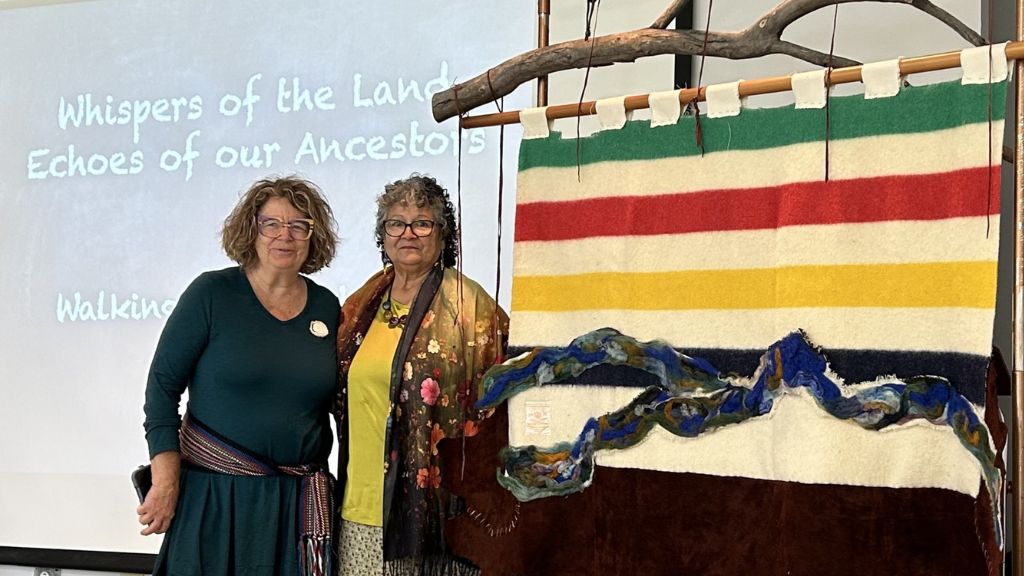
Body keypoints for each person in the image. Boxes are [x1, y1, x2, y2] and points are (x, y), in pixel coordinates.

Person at [139, 176, 341, 576]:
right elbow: (161, 391)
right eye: (272, 224)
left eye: (299, 225)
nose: (285, 235)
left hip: (295, 507)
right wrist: (165, 482)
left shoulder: (327, 306)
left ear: (312, 236)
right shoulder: (211, 293)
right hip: (214, 500)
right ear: (252, 230)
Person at [335, 174, 508, 574]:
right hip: (359, 509)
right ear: (383, 235)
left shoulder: (470, 306)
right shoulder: (362, 304)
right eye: (396, 223)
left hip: (437, 518)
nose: (408, 233)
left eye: (423, 223)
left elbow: (505, 397)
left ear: (444, 234)